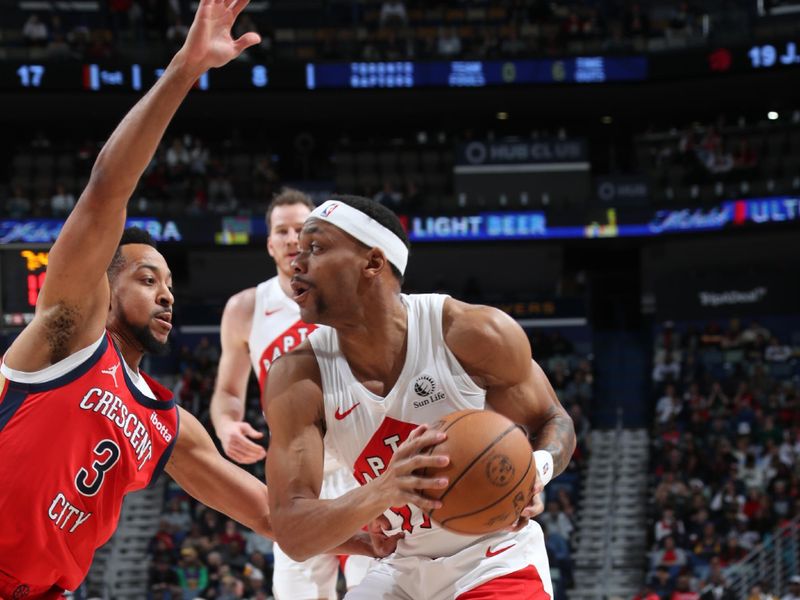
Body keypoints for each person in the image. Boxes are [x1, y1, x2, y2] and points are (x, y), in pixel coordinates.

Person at [0, 5, 371, 597]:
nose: (167, 293)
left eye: (170, 283)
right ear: (106, 284)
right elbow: (105, 192)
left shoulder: (164, 421)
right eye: (148, 279)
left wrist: (389, 530)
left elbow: (274, 518)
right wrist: (186, 68)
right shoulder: (66, 336)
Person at [264, 195, 577, 599]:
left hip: (494, 557)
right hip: (402, 566)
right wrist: (382, 492)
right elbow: (292, 532)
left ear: (373, 263)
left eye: (317, 248)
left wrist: (538, 467)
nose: (296, 262)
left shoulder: (471, 333)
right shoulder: (298, 377)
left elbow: (553, 420)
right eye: (299, 251)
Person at [210, 188, 373, 599]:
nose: (289, 238)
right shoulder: (246, 308)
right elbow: (228, 392)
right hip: (297, 474)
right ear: (269, 244)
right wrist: (227, 425)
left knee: (379, 588)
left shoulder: (354, 299)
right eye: (280, 231)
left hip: (361, 464)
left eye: (300, 229)